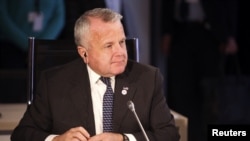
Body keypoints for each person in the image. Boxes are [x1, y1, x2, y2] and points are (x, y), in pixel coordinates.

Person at [11, 8, 180, 141]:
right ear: (84, 53)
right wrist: (56, 140)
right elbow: (22, 134)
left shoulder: (147, 79)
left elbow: (169, 134)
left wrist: (124, 139)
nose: (120, 52)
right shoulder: (54, 83)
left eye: (121, 42)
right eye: (108, 46)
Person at [161, 0, 238, 141]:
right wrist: (166, 32)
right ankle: (188, 136)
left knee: (211, 95)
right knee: (182, 93)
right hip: (181, 32)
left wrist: (228, 34)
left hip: (210, 33)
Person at [0, 0, 65, 69]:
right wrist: (28, 45)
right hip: (11, 45)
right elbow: (2, 17)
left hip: (43, 49)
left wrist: (41, 44)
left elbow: (59, 18)